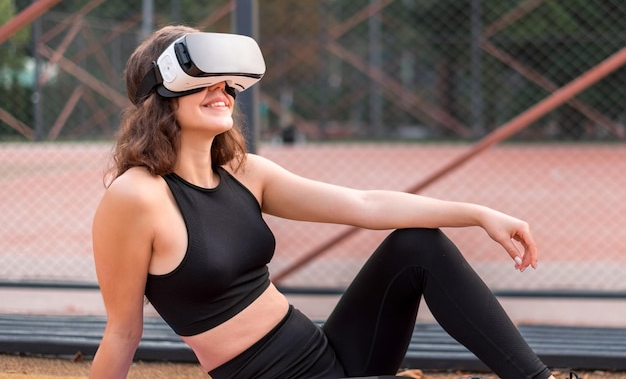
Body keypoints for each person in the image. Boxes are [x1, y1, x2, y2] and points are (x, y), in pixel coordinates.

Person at [89, 24, 558, 379]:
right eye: (204, 78)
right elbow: (123, 331)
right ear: (161, 92)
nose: (224, 90)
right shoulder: (136, 197)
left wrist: (478, 215)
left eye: (227, 81)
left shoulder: (247, 173)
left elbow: (365, 205)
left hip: (329, 355)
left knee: (418, 246)